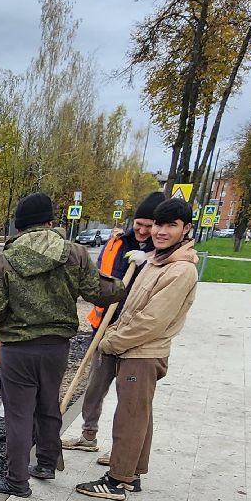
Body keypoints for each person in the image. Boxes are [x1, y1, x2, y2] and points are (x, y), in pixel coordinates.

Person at [0, 192, 126, 498]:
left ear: (19, 227)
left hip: (18, 349)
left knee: (19, 414)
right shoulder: (75, 253)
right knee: (48, 405)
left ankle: (17, 480)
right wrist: (123, 282)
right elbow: (101, 293)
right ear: (50, 222)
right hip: (56, 347)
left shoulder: (5, 261)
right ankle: (45, 463)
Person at [76, 198, 199, 501]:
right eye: (159, 224)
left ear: (186, 229)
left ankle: (117, 480)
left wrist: (112, 341)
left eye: (171, 225)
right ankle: (133, 473)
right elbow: (131, 308)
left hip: (143, 353)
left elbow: (151, 321)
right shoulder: (157, 261)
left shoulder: (180, 270)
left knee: (130, 416)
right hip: (135, 349)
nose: (161, 231)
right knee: (140, 413)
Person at [61, 191, 166, 452]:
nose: (142, 231)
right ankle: (88, 435)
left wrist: (149, 259)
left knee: (130, 395)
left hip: (136, 335)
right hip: (105, 327)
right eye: (139, 224)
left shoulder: (164, 252)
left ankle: (124, 451)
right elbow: (97, 276)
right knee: (95, 385)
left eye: (149, 226)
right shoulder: (117, 243)